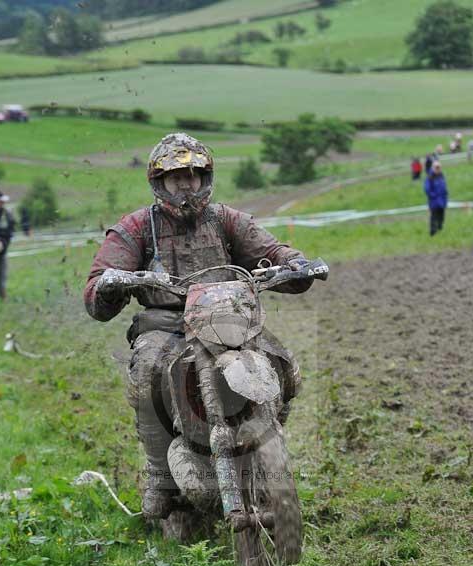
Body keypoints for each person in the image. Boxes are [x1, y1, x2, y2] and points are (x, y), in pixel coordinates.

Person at [84, 132, 318, 518]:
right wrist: (112, 282)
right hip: (168, 324)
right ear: (159, 182)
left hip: (227, 319)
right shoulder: (138, 227)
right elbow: (97, 283)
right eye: (176, 176)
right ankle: (159, 474)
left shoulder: (226, 219)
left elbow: (271, 250)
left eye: (194, 174)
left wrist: (295, 262)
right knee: (146, 373)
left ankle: (266, 438)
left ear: (205, 177)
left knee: (283, 364)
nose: (186, 183)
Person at [424, 161, 448, 237]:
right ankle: (433, 233)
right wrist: (434, 196)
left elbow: (444, 189)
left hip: (442, 201)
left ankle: (440, 231)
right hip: (434, 202)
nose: (438, 169)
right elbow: (427, 189)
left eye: (439, 167)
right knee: (434, 217)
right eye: (436, 167)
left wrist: (445, 198)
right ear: (433, 168)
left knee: (441, 217)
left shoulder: (442, 176)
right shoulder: (430, 177)